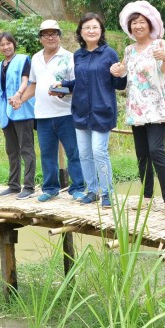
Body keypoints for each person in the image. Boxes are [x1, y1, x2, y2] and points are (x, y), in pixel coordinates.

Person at [112, 1, 165, 215]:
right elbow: (123, 71)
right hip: (136, 107)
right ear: (130, 28)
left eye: (141, 22)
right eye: (134, 23)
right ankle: (147, 197)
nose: (138, 26)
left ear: (149, 25)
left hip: (157, 106)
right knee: (142, 154)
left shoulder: (159, 45)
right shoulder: (129, 50)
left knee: (156, 151)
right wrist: (116, 69)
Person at [58, 13, 126, 207]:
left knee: (99, 151)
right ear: (80, 31)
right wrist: (61, 87)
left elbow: (118, 84)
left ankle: (106, 193)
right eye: (87, 27)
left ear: (101, 31)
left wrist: (122, 74)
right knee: (85, 154)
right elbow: (79, 83)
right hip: (81, 110)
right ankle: (93, 190)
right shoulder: (78, 55)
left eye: (95, 27)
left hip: (102, 111)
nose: (91, 30)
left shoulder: (109, 53)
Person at [20, 20, 85, 202]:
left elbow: (77, 85)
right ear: (40, 38)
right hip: (42, 116)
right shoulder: (35, 58)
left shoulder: (69, 57)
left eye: (54, 33)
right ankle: (50, 188)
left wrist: (61, 90)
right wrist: (20, 99)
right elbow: (34, 84)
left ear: (59, 36)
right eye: (46, 34)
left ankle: (78, 187)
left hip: (66, 114)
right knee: (47, 154)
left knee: (74, 153)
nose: (51, 37)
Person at [0, 32, 36, 199]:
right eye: (2, 45)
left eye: (8, 43)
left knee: (26, 149)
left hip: (21, 111)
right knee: (11, 150)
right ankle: (14, 185)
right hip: (5, 113)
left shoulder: (23, 60)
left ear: (13, 44)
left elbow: (25, 80)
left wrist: (18, 94)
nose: (5, 47)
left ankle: (29, 187)